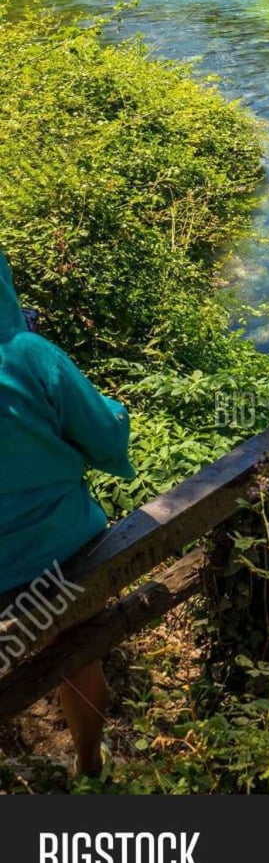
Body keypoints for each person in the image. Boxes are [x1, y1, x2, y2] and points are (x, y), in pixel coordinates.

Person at [0, 249, 134, 778]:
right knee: (78, 650)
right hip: (60, 561)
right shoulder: (30, 356)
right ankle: (88, 763)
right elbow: (106, 437)